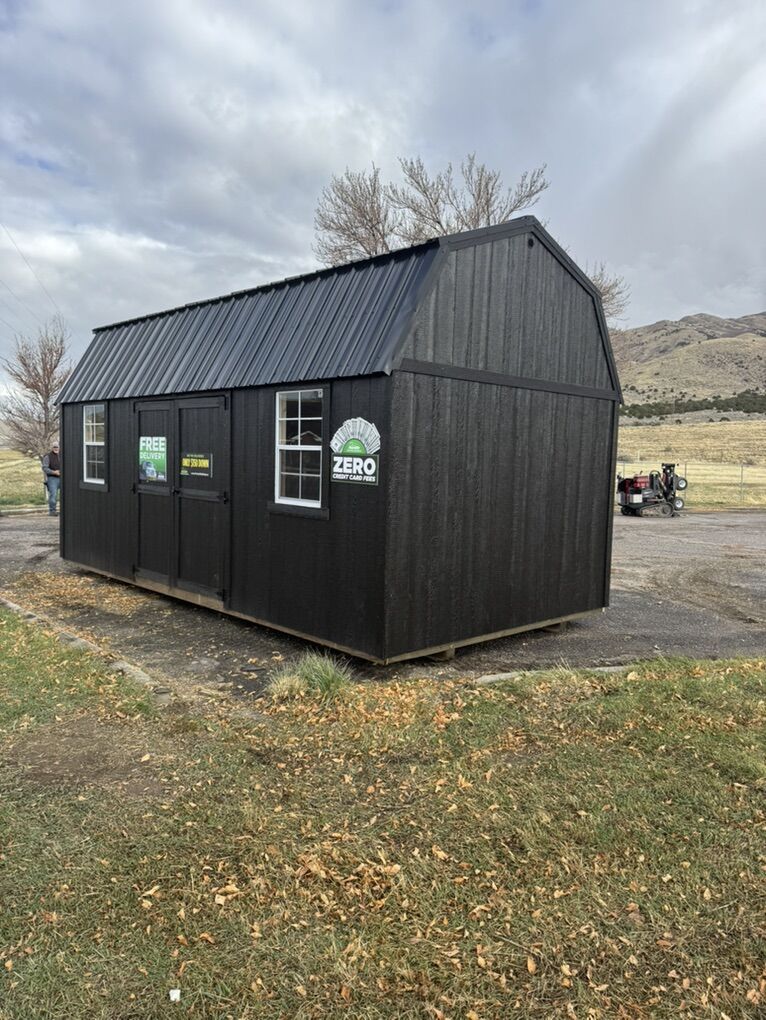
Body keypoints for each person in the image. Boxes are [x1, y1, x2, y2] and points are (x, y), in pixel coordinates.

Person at [41, 442, 61, 516]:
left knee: (66, 495)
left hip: (63, 478)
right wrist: (53, 472)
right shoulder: (48, 457)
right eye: (54, 447)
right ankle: (52, 511)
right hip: (52, 478)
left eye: (57, 447)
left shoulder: (63, 455)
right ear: (52, 448)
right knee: (53, 495)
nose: (56, 448)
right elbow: (44, 468)